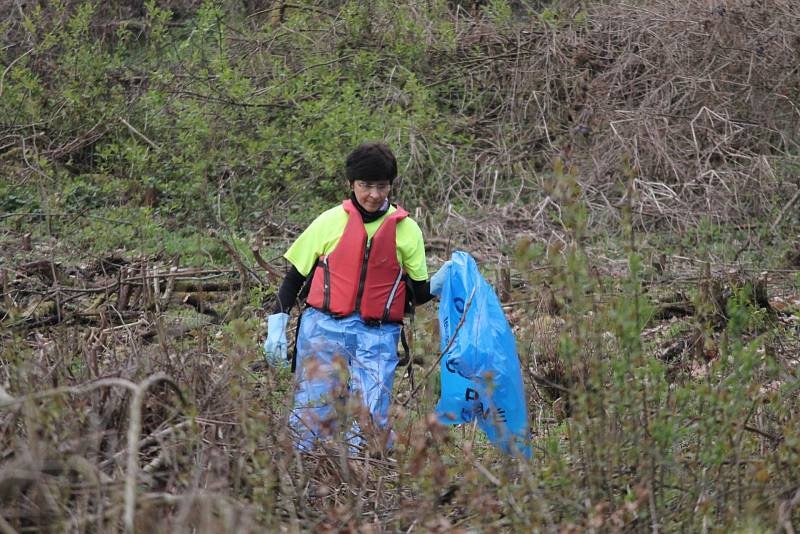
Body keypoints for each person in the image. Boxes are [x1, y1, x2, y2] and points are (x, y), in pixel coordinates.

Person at [262, 142, 450, 451]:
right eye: (366, 185)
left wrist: (441, 281)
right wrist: (276, 326)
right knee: (311, 413)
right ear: (352, 184)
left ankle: (360, 485)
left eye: (381, 186)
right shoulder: (329, 221)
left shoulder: (408, 230)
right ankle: (306, 481)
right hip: (323, 330)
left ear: (390, 185)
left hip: (377, 336)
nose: (374, 194)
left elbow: (416, 294)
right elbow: (294, 279)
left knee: (370, 421)